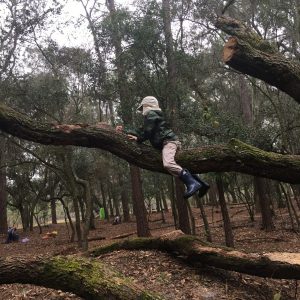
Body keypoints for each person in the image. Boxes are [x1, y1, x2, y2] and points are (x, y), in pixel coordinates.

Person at [116, 96, 209, 199]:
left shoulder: (151, 114)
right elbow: (142, 130)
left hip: (168, 142)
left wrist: (138, 139)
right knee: (176, 166)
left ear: (147, 106)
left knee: (168, 164)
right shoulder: (153, 116)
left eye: (142, 108)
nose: (142, 111)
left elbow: (147, 132)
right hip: (169, 142)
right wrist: (125, 130)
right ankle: (202, 184)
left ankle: (192, 184)